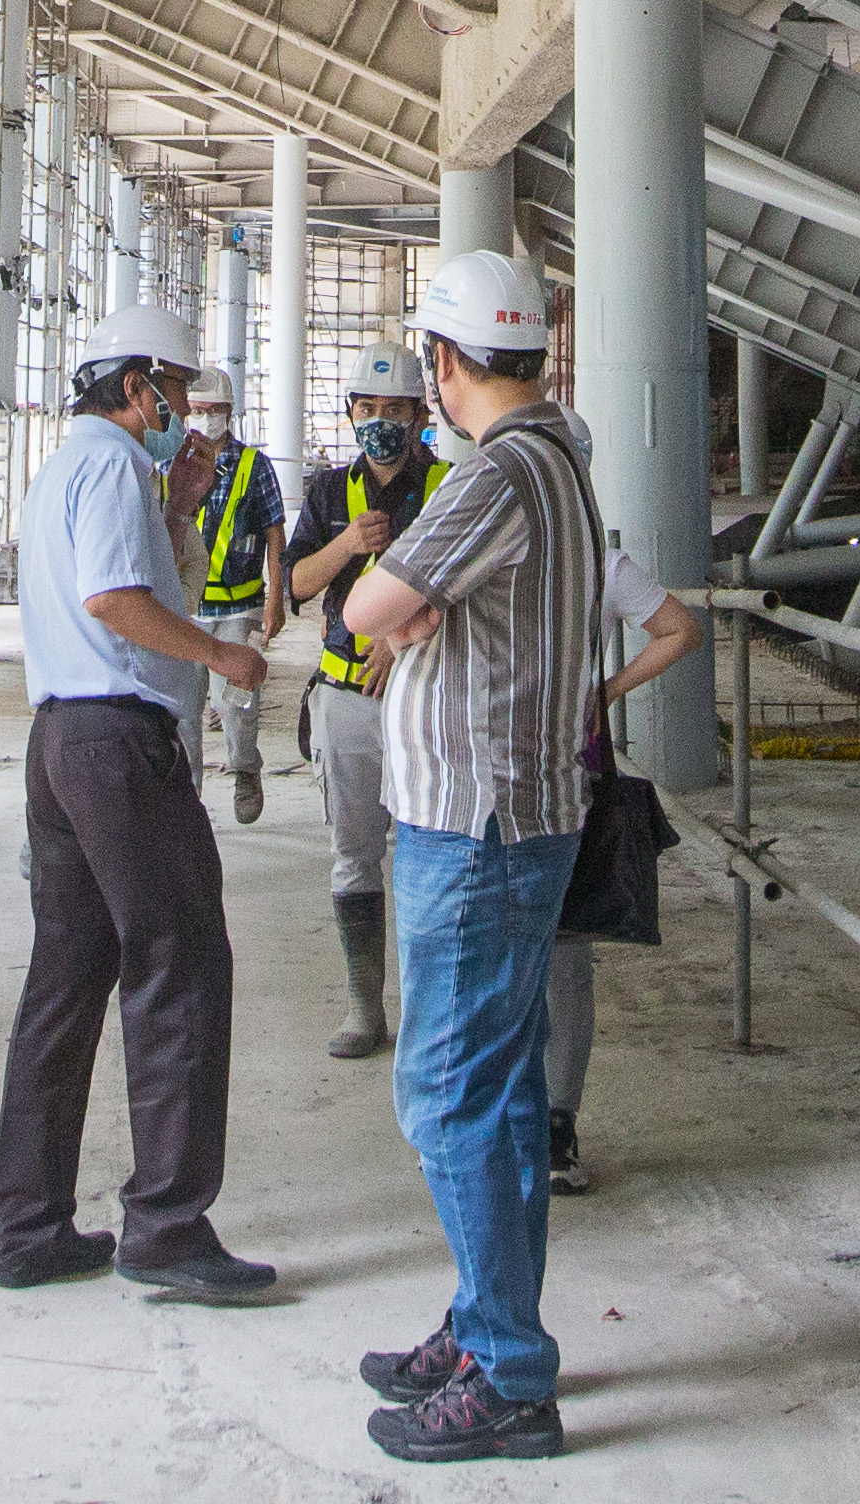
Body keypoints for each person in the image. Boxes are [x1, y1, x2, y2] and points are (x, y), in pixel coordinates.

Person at [336, 247, 601, 1463]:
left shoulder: (498, 477)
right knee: (490, 1103)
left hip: (479, 825)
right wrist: (411, 598)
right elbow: (409, 604)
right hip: (507, 815)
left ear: (443, 364)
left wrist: (400, 598)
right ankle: (487, 1323)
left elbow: (361, 613)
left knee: (444, 1094)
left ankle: (508, 1368)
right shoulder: (558, 463)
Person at [0, 297, 274, 1306]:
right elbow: (115, 599)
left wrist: (181, 510)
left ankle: (27, 1222)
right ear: (138, 386)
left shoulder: (77, 467)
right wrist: (222, 654)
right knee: (182, 962)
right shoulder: (109, 462)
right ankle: (168, 1224)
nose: (185, 412)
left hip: (60, 741)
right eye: (177, 391)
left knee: (68, 973)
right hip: (116, 740)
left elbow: (114, 578)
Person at [280, 346, 437, 1058]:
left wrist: (400, 640)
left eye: (395, 411)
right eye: (368, 411)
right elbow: (298, 587)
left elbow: (468, 586)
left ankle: (429, 1011)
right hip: (345, 699)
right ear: (349, 414)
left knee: (432, 851)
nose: (380, 424)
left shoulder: (445, 485)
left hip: (427, 693)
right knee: (354, 855)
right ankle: (364, 1007)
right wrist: (345, 544)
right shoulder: (324, 493)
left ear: (419, 416)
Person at [537, 541, 704, 1197]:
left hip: (545, 776)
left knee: (547, 953)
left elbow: (680, 629)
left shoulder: (587, 561)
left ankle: (537, 1122)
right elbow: (680, 629)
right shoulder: (596, 560)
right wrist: (603, 692)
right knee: (558, 958)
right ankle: (550, 1124)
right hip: (551, 770)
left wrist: (605, 691)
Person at [167, 381, 285, 823]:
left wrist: (276, 599)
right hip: (188, 610)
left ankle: (245, 768)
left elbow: (276, 534)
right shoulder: (172, 464)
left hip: (240, 607)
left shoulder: (255, 467)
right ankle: (189, 798)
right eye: (196, 409)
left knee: (234, 702)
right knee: (184, 709)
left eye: (213, 409)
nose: (203, 417)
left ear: (230, 413)